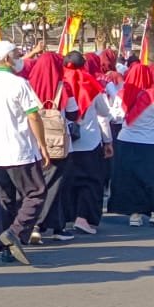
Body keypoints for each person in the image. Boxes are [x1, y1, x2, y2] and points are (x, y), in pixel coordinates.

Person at [0, 40, 51, 264]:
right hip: (20, 148)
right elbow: (33, 115)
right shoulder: (19, 83)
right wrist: (42, 144)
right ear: (8, 58)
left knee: (4, 201)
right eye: (16, 55)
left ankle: (5, 247)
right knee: (36, 193)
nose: (18, 59)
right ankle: (15, 232)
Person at [108, 61, 154, 227]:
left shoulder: (123, 93)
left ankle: (134, 215)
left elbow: (115, 116)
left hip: (126, 140)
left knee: (130, 179)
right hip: (150, 141)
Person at [23, 50, 80, 242]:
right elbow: (73, 113)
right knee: (56, 186)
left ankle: (34, 224)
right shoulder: (63, 86)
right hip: (57, 144)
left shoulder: (27, 86)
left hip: (33, 142)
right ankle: (49, 226)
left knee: (35, 185)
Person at [62, 51, 113, 235]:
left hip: (64, 141)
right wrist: (108, 141)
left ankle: (65, 217)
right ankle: (83, 218)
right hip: (89, 141)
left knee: (67, 181)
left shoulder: (60, 82)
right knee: (90, 182)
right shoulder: (90, 82)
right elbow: (104, 112)